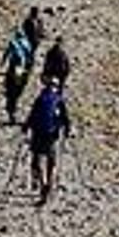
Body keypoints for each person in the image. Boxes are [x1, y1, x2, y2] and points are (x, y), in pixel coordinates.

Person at [22, 76, 71, 204]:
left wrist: (26, 127)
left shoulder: (40, 98)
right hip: (51, 134)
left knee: (36, 160)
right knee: (51, 158)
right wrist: (67, 131)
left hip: (38, 133)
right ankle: (49, 181)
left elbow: (32, 115)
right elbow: (65, 118)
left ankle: (42, 182)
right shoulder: (59, 99)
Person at [1, 28, 33, 124]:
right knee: (18, 88)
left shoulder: (13, 43)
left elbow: (6, 54)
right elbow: (30, 57)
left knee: (10, 88)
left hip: (13, 68)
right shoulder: (27, 43)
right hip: (22, 69)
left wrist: (2, 63)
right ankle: (14, 106)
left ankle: (11, 110)